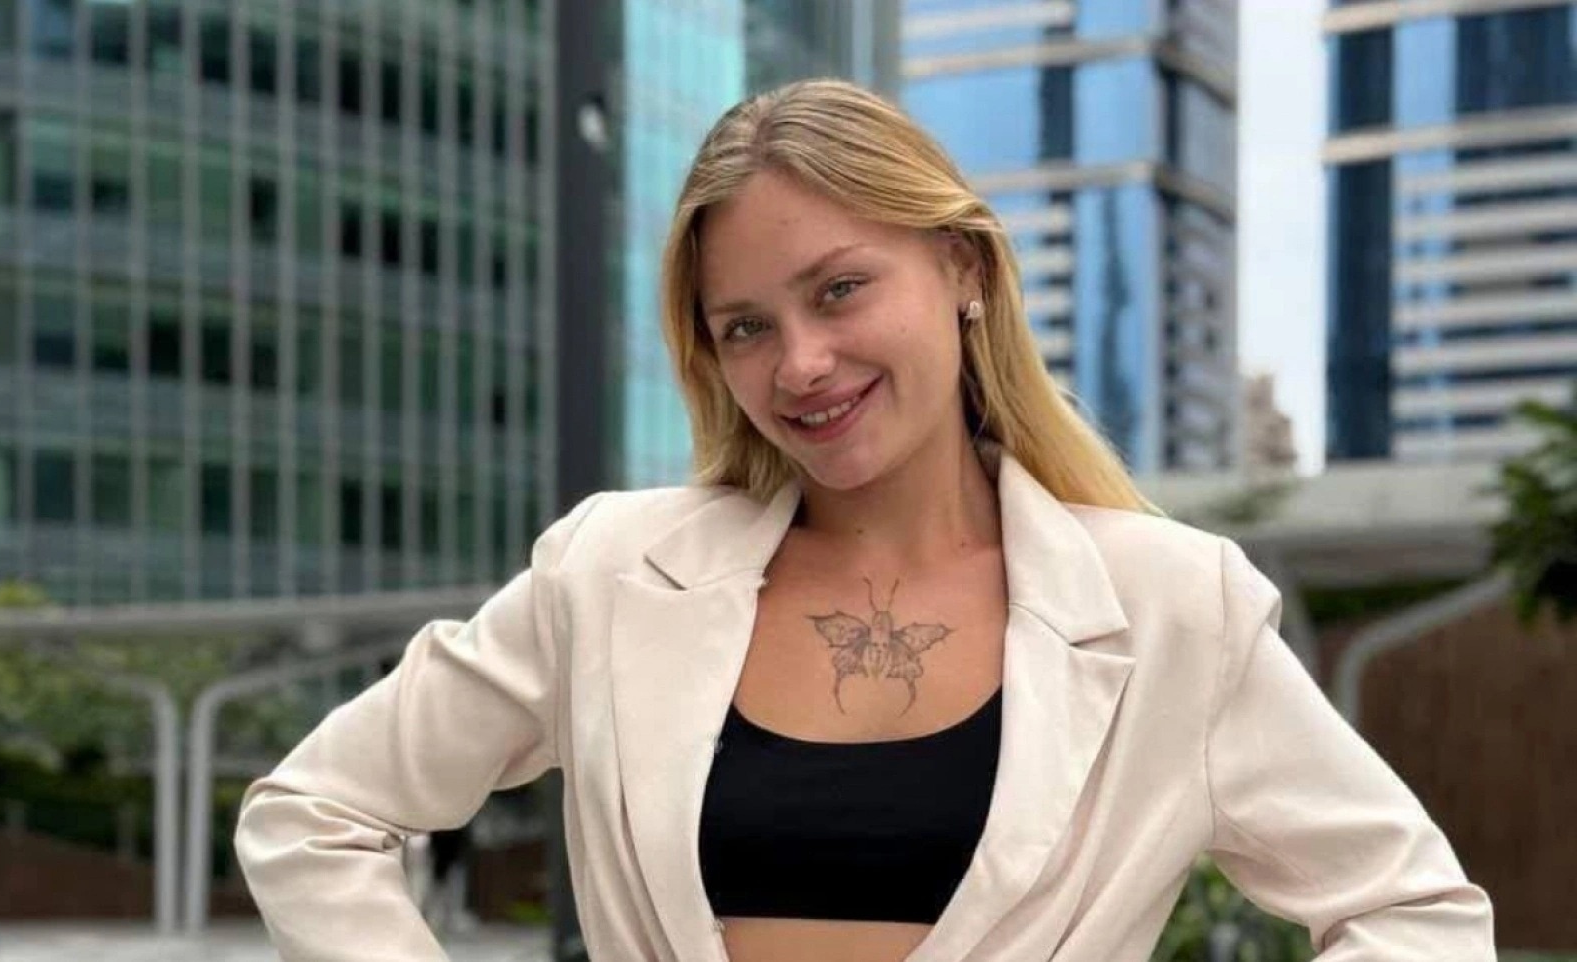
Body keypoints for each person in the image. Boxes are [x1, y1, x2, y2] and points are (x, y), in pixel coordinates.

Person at [234, 79, 1494, 961]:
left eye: (839, 289)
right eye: (746, 326)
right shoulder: (608, 572)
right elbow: (312, 812)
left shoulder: (1173, 605)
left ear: (961, 269)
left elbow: (1415, 913)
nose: (800, 363)